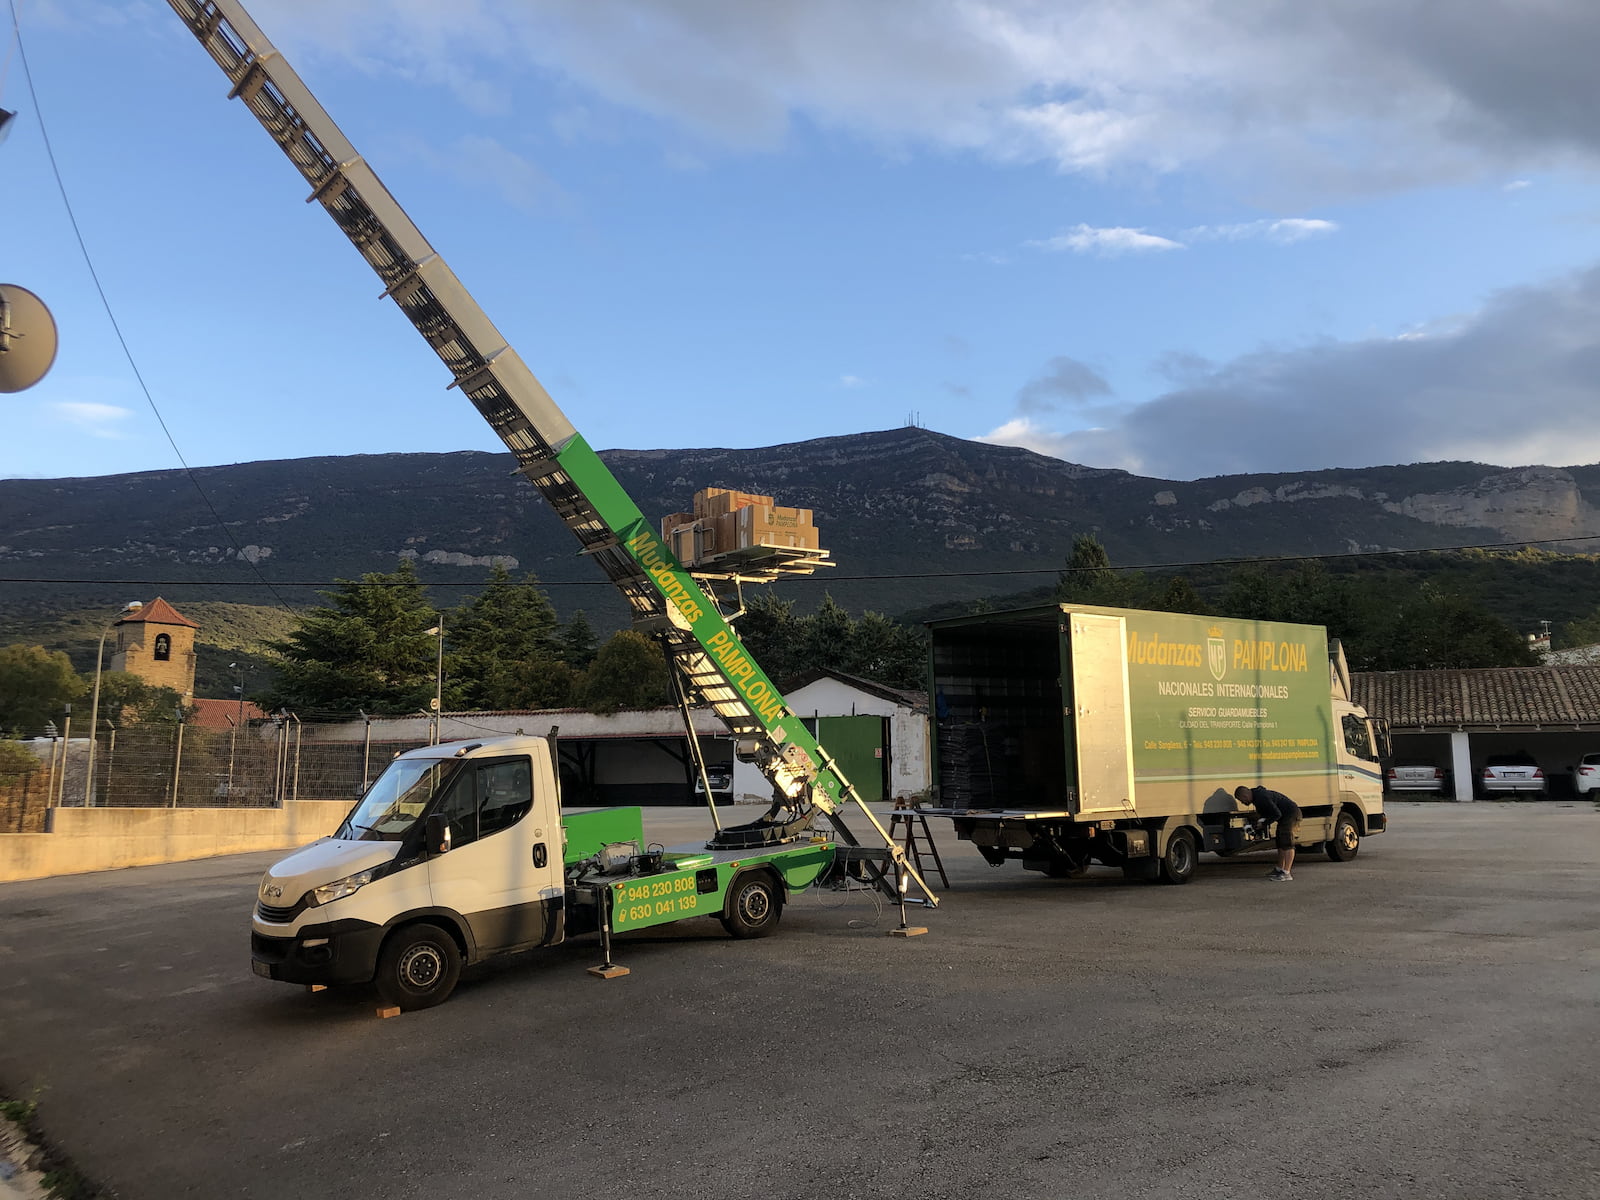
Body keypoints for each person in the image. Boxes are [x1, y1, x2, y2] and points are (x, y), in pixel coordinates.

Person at [1234, 785, 1302, 881]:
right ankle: (1279, 869)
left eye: (1241, 800)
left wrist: (1264, 824)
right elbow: (1266, 814)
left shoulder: (1262, 797)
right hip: (1285, 817)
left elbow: (1277, 814)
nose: (1243, 803)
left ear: (1245, 796)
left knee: (1287, 843)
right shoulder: (1257, 798)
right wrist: (1259, 828)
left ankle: (1286, 873)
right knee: (1280, 842)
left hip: (1291, 815)